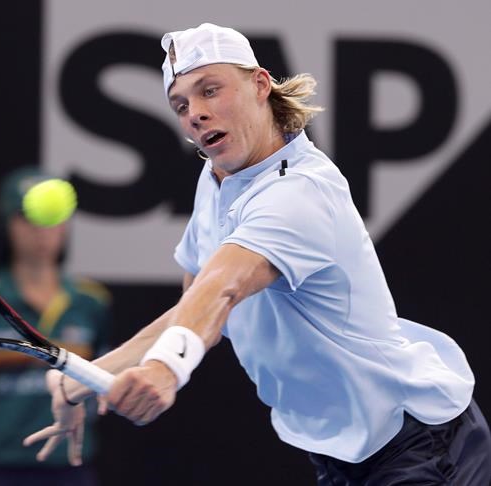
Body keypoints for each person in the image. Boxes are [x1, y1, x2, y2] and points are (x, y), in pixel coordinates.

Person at [24, 24, 491, 484]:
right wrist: (86, 377)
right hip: (341, 454)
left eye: (210, 90)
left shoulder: (300, 191)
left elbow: (223, 287)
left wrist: (166, 367)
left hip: (417, 440)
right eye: (181, 105)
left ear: (260, 84)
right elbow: (194, 309)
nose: (195, 113)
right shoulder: (216, 179)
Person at [0, 166, 112, 486]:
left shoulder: (92, 303)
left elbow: (102, 389)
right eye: (28, 217)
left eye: (53, 218)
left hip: (68, 469)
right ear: (7, 223)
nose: (42, 231)